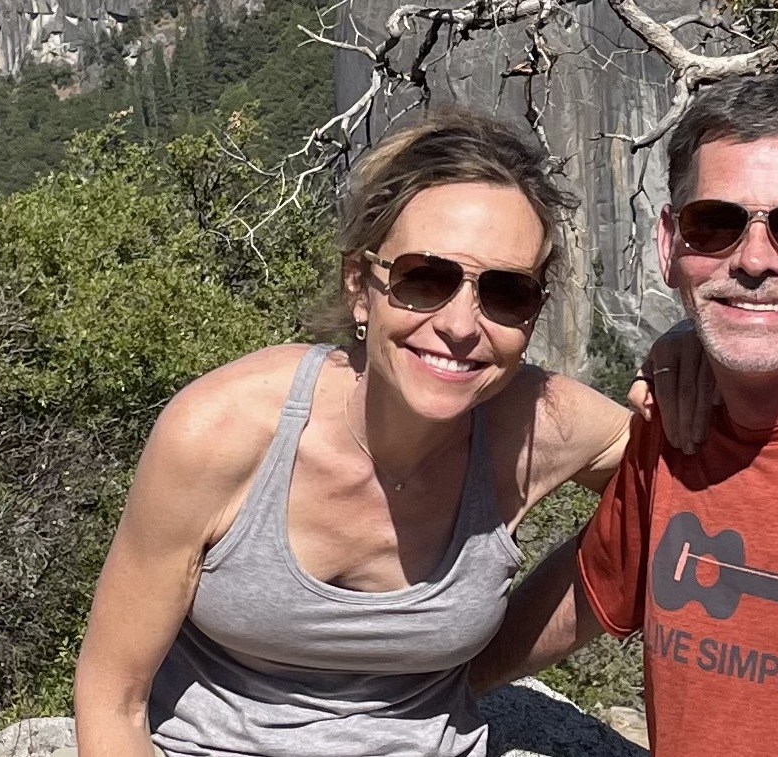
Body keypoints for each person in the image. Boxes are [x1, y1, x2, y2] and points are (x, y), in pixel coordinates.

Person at [67, 109, 704, 757]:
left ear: (533, 314)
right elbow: (111, 692)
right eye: (424, 278)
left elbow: (680, 489)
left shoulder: (539, 426)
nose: (461, 324)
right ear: (360, 288)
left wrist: (691, 352)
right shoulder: (223, 432)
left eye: (506, 292)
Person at [470, 74, 778, 755]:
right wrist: (421, 693)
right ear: (671, 244)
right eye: (716, 224)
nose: (755, 259)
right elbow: (591, 582)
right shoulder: (676, 420)